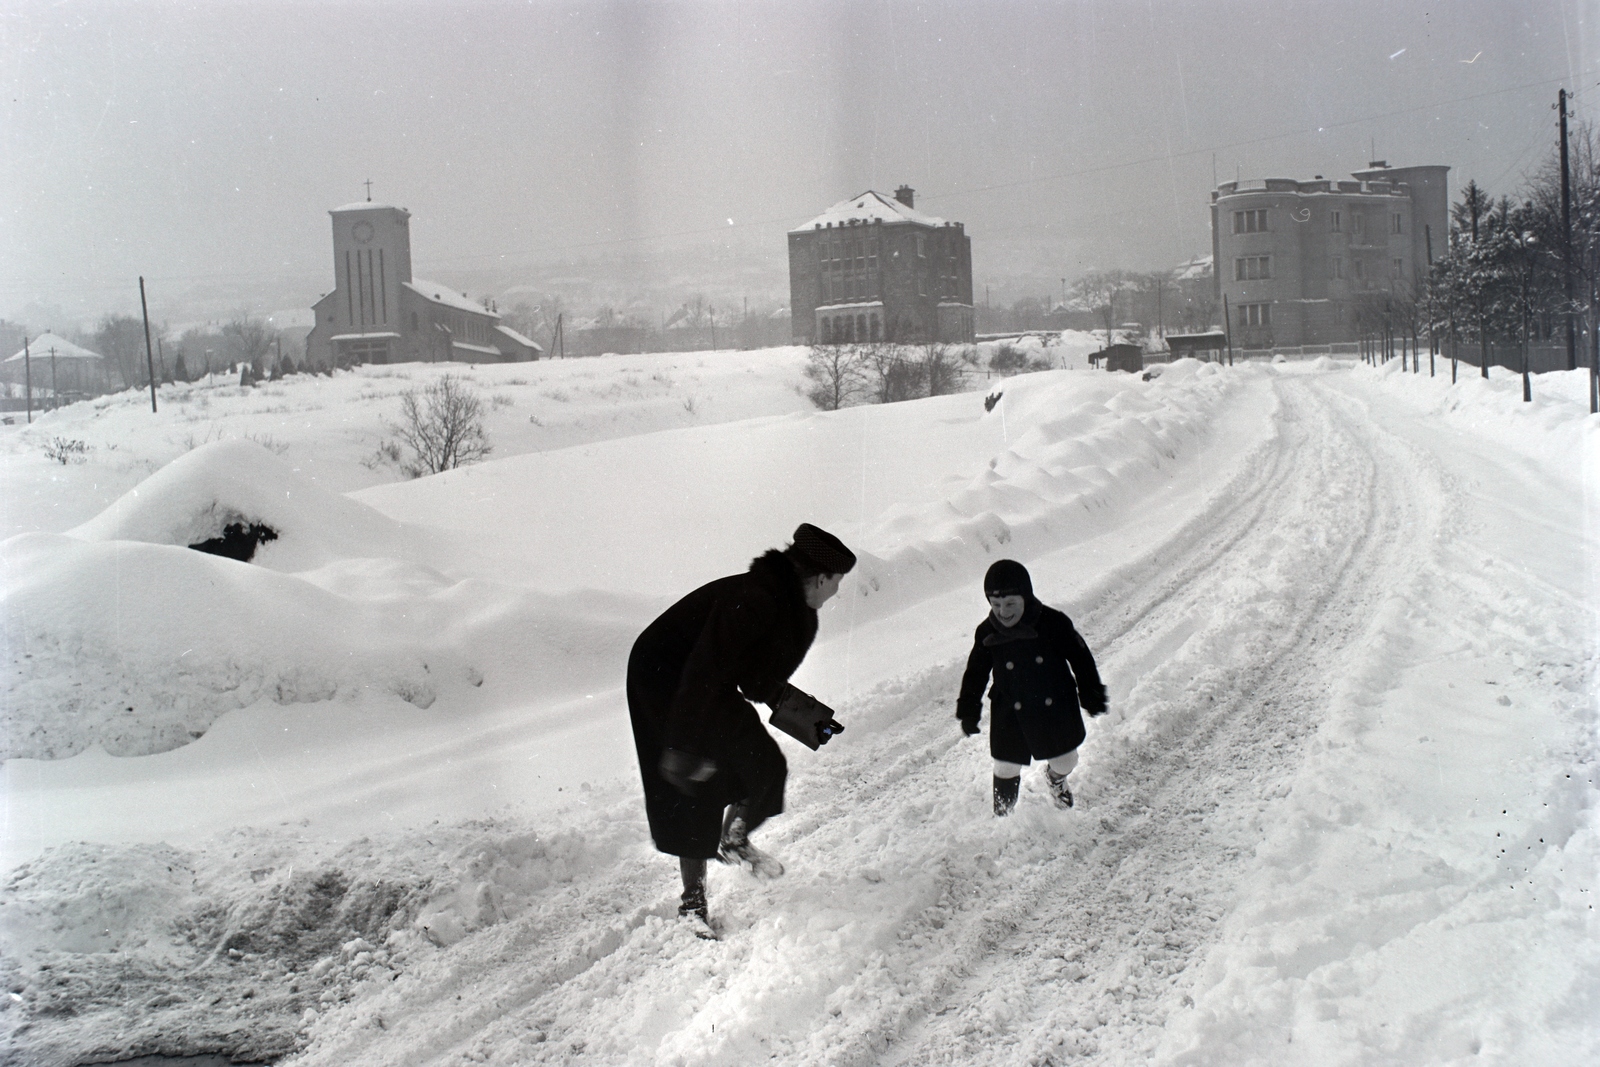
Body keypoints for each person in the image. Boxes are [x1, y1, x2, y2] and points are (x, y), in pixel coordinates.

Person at [627, 523, 857, 936]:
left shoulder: (793, 611)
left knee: (764, 764)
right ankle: (691, 905)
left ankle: (734, 839)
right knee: (693, 784)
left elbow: (755, 679)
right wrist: (682, 746)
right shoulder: (754, 600)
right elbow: (702, 674)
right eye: (837, 582)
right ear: (821, 578)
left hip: (704, 679)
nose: (836, 592)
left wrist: (809, 717)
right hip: (662, 677)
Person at [955, 559, 1107, 816]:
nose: (1003, 612)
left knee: (1066, 760)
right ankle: (1004, 817)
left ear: (1026, 597)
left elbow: (1081, 658)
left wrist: (1090, 691)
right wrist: (969, 708)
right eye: (996, 604)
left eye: (1010, 603)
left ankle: (1056, 778)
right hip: (1010, 707)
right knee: (1005, 767)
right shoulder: (986, 632)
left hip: (1054, 703)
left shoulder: (1053, 622)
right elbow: (975, 673)